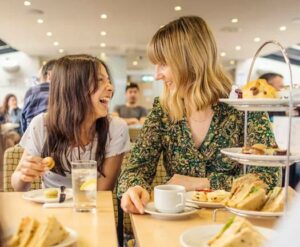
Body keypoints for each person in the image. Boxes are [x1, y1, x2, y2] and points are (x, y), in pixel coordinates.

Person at [117, 16, 280, 214]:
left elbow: (268, 178)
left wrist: (201, 182)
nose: (157, 75)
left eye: (163, 64)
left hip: (232, 223)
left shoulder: (244, 106)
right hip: (176, 221)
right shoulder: (163, 109)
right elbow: (135, 167)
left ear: (189, 61)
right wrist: (134, 187)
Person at [11, 54, 130, 191]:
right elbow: (17, 186)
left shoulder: (115, 128)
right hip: (50, 208)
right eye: (99, 80)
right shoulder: (42, 125)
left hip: (90, 207)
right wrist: (24, 175)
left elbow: (102, 192)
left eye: (108, 81)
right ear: (73, 88)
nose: (110, 88)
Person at [21, 59, 57, 133]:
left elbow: (23, 119)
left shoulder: (31, 91)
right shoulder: (59, 91)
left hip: (31, 137)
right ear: (50, 75)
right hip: (55, 139)